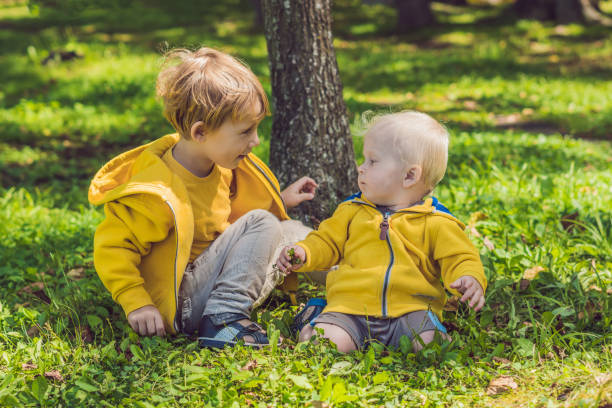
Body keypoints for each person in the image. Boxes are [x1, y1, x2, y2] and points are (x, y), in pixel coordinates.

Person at [88, 47, 318, 348]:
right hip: (183, 303)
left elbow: (225, 222)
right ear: (200, 133)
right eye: (246, 131)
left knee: (294, 232)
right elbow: (113, 248)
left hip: (213, 277)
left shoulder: (218, 165)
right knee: (265, 222)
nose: (256, 140)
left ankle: (353, 288)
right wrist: (137, 302)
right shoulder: (158, 190)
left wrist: (281, 200)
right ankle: (224, 318)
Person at [276, 111, 487, 353]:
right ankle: (315, 316)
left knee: (432, 347)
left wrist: (470, 278)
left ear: (410, 175)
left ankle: (421, 337)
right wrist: (304, 252)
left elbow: (461, 257)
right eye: (364, 160)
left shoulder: (436, 222)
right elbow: (326, 242)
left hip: (412, 311)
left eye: (372, 161)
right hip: (350, 308)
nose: (360, 168)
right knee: (323, 345)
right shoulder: (351, 211)